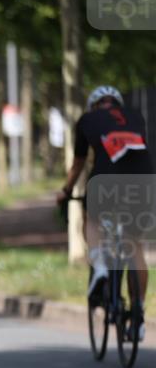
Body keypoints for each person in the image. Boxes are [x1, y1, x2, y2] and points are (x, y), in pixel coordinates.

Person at [57, 85, 152, 340]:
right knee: (135, 247)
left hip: (106, 182)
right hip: (143, 181)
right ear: (117, 104)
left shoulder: (88, 120)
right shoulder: (134, 116)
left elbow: (78, 164)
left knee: (92, 219)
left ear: (94, 106)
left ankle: (99, 265)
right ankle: (139, 316)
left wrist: (66, 191)